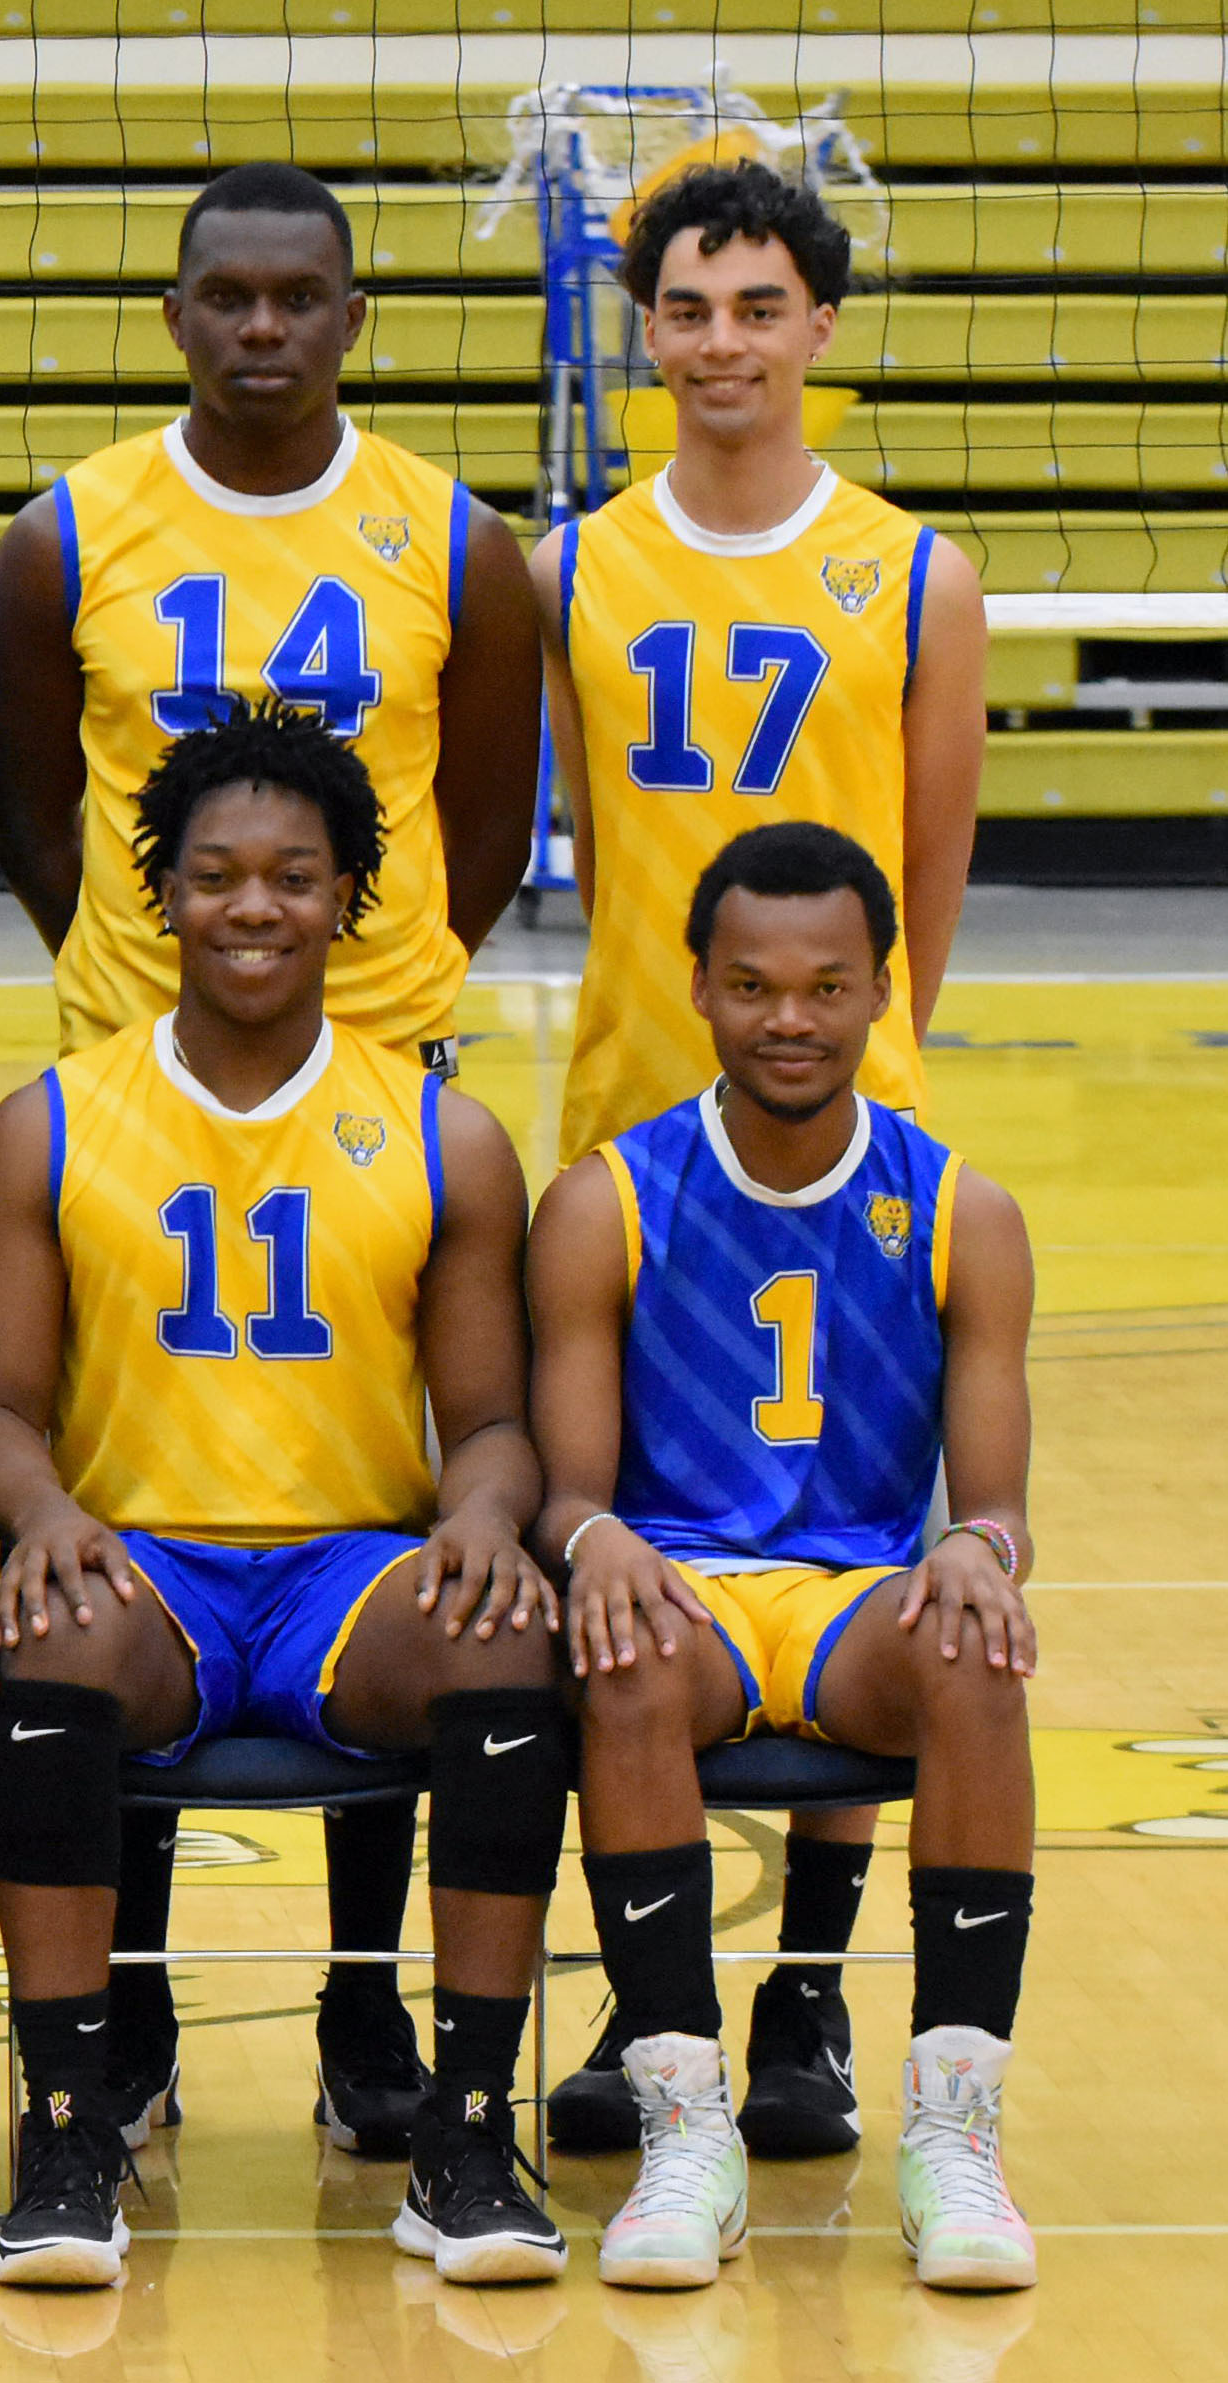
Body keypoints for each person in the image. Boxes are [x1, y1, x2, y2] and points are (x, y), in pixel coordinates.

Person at [0, 159, 546, 2152]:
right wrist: (121, 962)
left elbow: (476, 820)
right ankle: (111, 2032)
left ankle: (365, 2004)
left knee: (372, 1498)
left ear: (352, 318)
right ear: (176, 315)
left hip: (379, 1066)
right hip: (131, 1063)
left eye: (302, 297)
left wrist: (381, 997)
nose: (263, 329)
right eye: (228, 296)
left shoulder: (454, 543)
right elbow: (32, 801)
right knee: (129, 1498)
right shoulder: (66, 534)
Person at [0, 700, 568, 2291]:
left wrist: (486, 1521)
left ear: (346, 896)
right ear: (158, 890)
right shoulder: (50, 1121)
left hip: (347, 1579)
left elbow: (493, 1419)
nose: (251, 907)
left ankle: (462, 2135)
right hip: (143, 1566)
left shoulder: (444, 1137)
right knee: (54, 1650)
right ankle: (71, 2131)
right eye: (217, 874)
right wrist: (39, 1517)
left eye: (291, 877)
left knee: (501, 1648)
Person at [533, 162, 989, 2152]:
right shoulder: (567, 567)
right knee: (627, 1571)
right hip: (628, 1126)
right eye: (686, 308)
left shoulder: (915, 573)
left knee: (847, 1532)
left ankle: (804, 1998)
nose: (720, 340)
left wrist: (862, 1072)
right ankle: (659, 2021)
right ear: (644, 331)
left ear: (820, 328)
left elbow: (935, 883)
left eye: (756, 305)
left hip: (842, 1125)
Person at [530, 822, 1041, 2295]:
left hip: (853, 1607)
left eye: (825, 987)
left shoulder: (962, 1210)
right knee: (615, 1648)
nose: (789, 1019)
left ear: (882, 990)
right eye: (752, 985)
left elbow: (994, 1502)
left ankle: (952, 2136)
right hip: (679, 1592)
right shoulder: (605, 1200)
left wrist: (978, 1552)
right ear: (695, 987)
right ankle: (685, 2127)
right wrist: (596, 1537)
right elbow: (564, 1493)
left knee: (978, 1643)